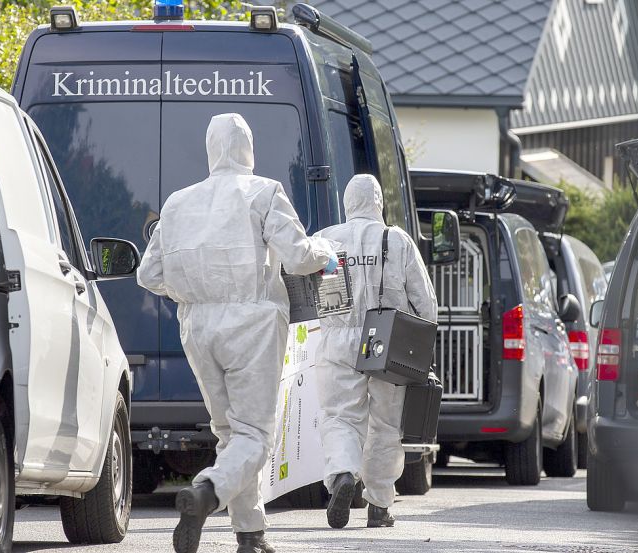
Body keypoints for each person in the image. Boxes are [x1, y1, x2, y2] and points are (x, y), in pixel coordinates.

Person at [137, 113, 337, 553]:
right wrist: (328, 250)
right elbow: (299, 255)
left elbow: (148, 274)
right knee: (254, 435)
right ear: (249, 147)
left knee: (231, 432)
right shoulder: (264, 192)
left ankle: (250, 534)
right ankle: (206, 491)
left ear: (210, 149)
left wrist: (189, 293)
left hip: (197, 325)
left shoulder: (177, 202)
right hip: (253, 323)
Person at [313, 174, 437, 529]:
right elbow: (425, 303)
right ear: (378, 202)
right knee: (384, 425)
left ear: (346, 202)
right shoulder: (397, 240)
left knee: (340, 416)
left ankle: (341, 475)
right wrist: (422, 346)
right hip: (388, 342)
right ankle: (379, 506)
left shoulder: (325, 240)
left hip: (336, 341)